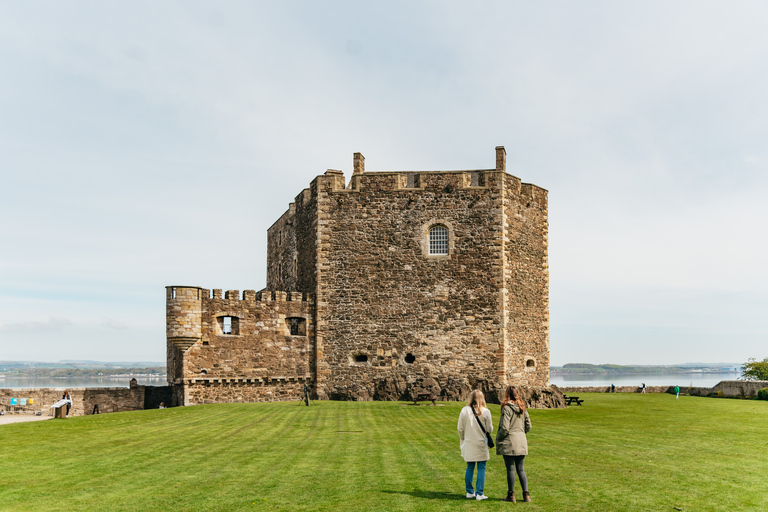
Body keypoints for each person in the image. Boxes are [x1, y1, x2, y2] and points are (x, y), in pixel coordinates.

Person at [496, 385, 532, 503]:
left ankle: (511, 495)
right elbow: (529, 425)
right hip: (521, 441)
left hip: (510, 441)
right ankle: (526, 495)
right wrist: (521, 433)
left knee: (511, 469)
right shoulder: (522, 407)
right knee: (521, 469)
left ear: (506, 394)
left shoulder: (506, 408)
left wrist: (498, 438)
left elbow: (505, 428)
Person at [457, 389, 493, 501]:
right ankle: (479, 493)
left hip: (469, 441)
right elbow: (489, 429)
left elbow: (460, 428)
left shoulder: (464, 410)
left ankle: (469, 491)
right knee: (481, 467)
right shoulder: (486, 411)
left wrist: (463, 438)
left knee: (470, 467)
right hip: (481, 442)